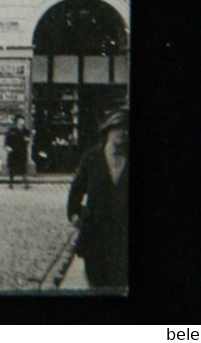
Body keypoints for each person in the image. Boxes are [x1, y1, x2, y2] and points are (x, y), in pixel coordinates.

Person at [67, 106, 129, 291]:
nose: (122, 133)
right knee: (96, 282)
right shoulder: (92, 157)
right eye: (118, 128)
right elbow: (76, 189)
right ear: (108, 130)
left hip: (122, 235)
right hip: (95, 233)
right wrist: (75, 215)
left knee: (119, 283)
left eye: (126, 129)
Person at [4, 113, 30, 189]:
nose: (22, 121)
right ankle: (11, 182)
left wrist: (27, 140)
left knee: (23, 168)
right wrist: (7, 147)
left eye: (23, 120)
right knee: (12, 168)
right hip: (13, 152)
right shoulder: (11, 130)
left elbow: (28, 139)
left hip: (22, 151)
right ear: (17, 121)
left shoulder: (25, 130)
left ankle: (25, 183)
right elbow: (7, 140)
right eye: (20, 120)